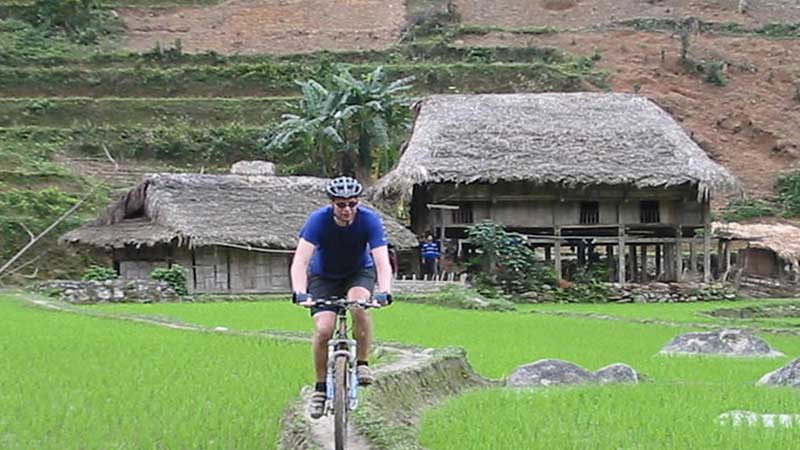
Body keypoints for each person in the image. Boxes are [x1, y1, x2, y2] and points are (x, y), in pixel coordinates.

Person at [290, 176, 393, 419]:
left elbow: (382, 262)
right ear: (332, 204)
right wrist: (299, 291)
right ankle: (320, 389)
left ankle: (363, 363)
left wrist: (385, 291)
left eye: (352, 204)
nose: (347, 209)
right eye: (341, 204)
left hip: (359, 272)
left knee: (359, 305)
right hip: (324, 276)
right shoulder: (317, 221)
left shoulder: (369, 220)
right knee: (324, 329)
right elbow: (300, 261)